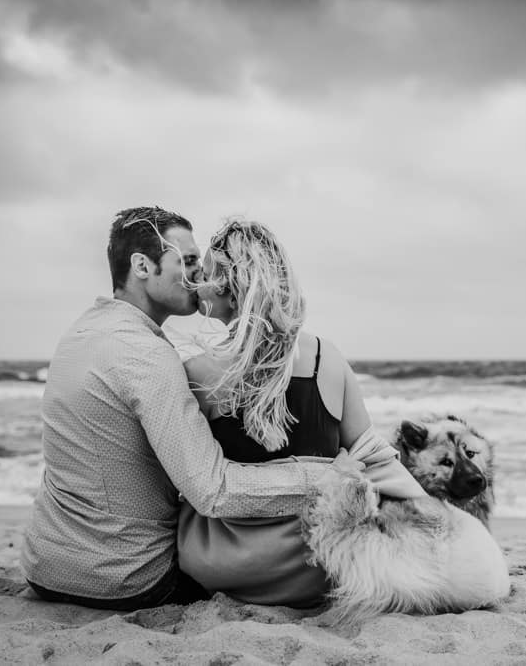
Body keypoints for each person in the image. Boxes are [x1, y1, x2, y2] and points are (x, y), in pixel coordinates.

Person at [20, 207, 361, 611]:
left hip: (44, 565)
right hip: (126, 578)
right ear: (142, 266)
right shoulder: (148, 357)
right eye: (188, 260)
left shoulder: (79, 334)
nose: (198, 274)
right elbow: (213, 491)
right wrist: (327, 477)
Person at [175, 219, 425, 607]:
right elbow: (373, 457)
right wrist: (425, 511)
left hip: (229, 566)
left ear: (229, 287)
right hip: (321, 563)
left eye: (205, 274)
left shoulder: (198, 372)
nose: (195, 283)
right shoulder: (327, 358)